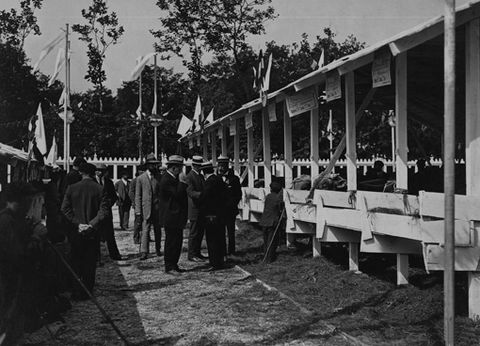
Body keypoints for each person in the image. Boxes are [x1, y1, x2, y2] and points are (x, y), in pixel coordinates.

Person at [0, 182, 48, 345]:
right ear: (17, 201)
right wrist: (36, 237)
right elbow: (19, 255)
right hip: (7, 284)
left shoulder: (15, 219)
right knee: (6, 327)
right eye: (28, 202)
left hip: (14, 284)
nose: (29, 206)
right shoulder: (6, 222)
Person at [61, 163, 109, 300]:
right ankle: (87, 291)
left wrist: (77, 223)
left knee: (76, 260)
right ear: (93, 174)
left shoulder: (71, 188)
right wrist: (91, 225)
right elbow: (104, 211)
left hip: (76, 232)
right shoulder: (100, 189)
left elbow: (64, 209)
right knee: (90, 262)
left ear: (81, 173)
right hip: (92, 232)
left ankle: (76, 290)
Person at [158, 155, 188, 274]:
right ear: (174, 168)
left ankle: (174, 264)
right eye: (180, 168)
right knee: (171, 242)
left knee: (177, 242)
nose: (181, 170)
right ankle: (169, 266)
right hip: (170, 216)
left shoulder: (173, 179)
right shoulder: (166, 179)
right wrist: (182, 182)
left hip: (177, 216)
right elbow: (176, 194)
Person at [199, 161, 228, 271]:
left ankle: (214, 263)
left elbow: (204, 197)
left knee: (212, 240)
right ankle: (220, 261)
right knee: (220, 238)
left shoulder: (209, 182)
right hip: (220, 214)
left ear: (204, 172)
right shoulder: (219, 180)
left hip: (211, 215)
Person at [135, 154, 162, 260]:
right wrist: (138, 211)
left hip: (157, 208)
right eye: (151, 164)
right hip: (146, 208)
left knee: (157, 230)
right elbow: (138, 195)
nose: (153, 166)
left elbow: (161, 193)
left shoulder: (158, 177)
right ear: (147, 165)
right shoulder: (140, 178)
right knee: (145, 229)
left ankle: (158, 249)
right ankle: (144, 251)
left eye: (154, 164)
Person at [95, 163, 122, 261]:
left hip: (106, 212)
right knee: (95, 234)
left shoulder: (109, 182)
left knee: (109, 234)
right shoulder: (93, 182)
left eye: (102, 170)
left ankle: (114, 254)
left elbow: (114, 196)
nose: (100, 172)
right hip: (96, 212)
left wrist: (108, 204)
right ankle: (97, 257)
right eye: (98, 170)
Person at [217, 156, 242, 256]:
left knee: (231, 232)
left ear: (227, 166)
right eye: (219, 166)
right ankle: (222, 251)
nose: (221, 168)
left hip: (230, 210)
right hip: (219, 210)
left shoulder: (234, 179)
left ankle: (231, 251)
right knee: (220, 232)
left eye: (223, 166)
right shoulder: (216, 178)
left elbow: (238, 194)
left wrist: (231, 204)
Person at [185, 155, 207, 262]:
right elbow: (190, 192)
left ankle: (197, 252)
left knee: (200, 232)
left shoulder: (201, 176)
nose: (199, 167)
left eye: (200, 166)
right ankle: (191, 254)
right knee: (193, 233)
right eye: (197, 166)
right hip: (194, 209)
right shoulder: (189, 176)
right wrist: (203, 195)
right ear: (193, 165)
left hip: (201, 208)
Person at [259, 181, 284, 263]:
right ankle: (269, 258)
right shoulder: (278, 198)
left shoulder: (268, 196)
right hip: (272, 222)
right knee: (272, 241)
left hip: (264, 220)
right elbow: (280, 209)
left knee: (266, 240)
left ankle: (265, 256)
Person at [129, 165, 145, 245]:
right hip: (137, 203)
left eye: (143, 170)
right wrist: (134, 202)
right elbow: (131, 192)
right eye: (141, 170)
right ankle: (136, 237)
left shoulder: (145, 179)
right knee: (138, 222)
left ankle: (145, 237)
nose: (142, 172)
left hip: (145, 203)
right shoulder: (134, 181)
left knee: (146, 221)